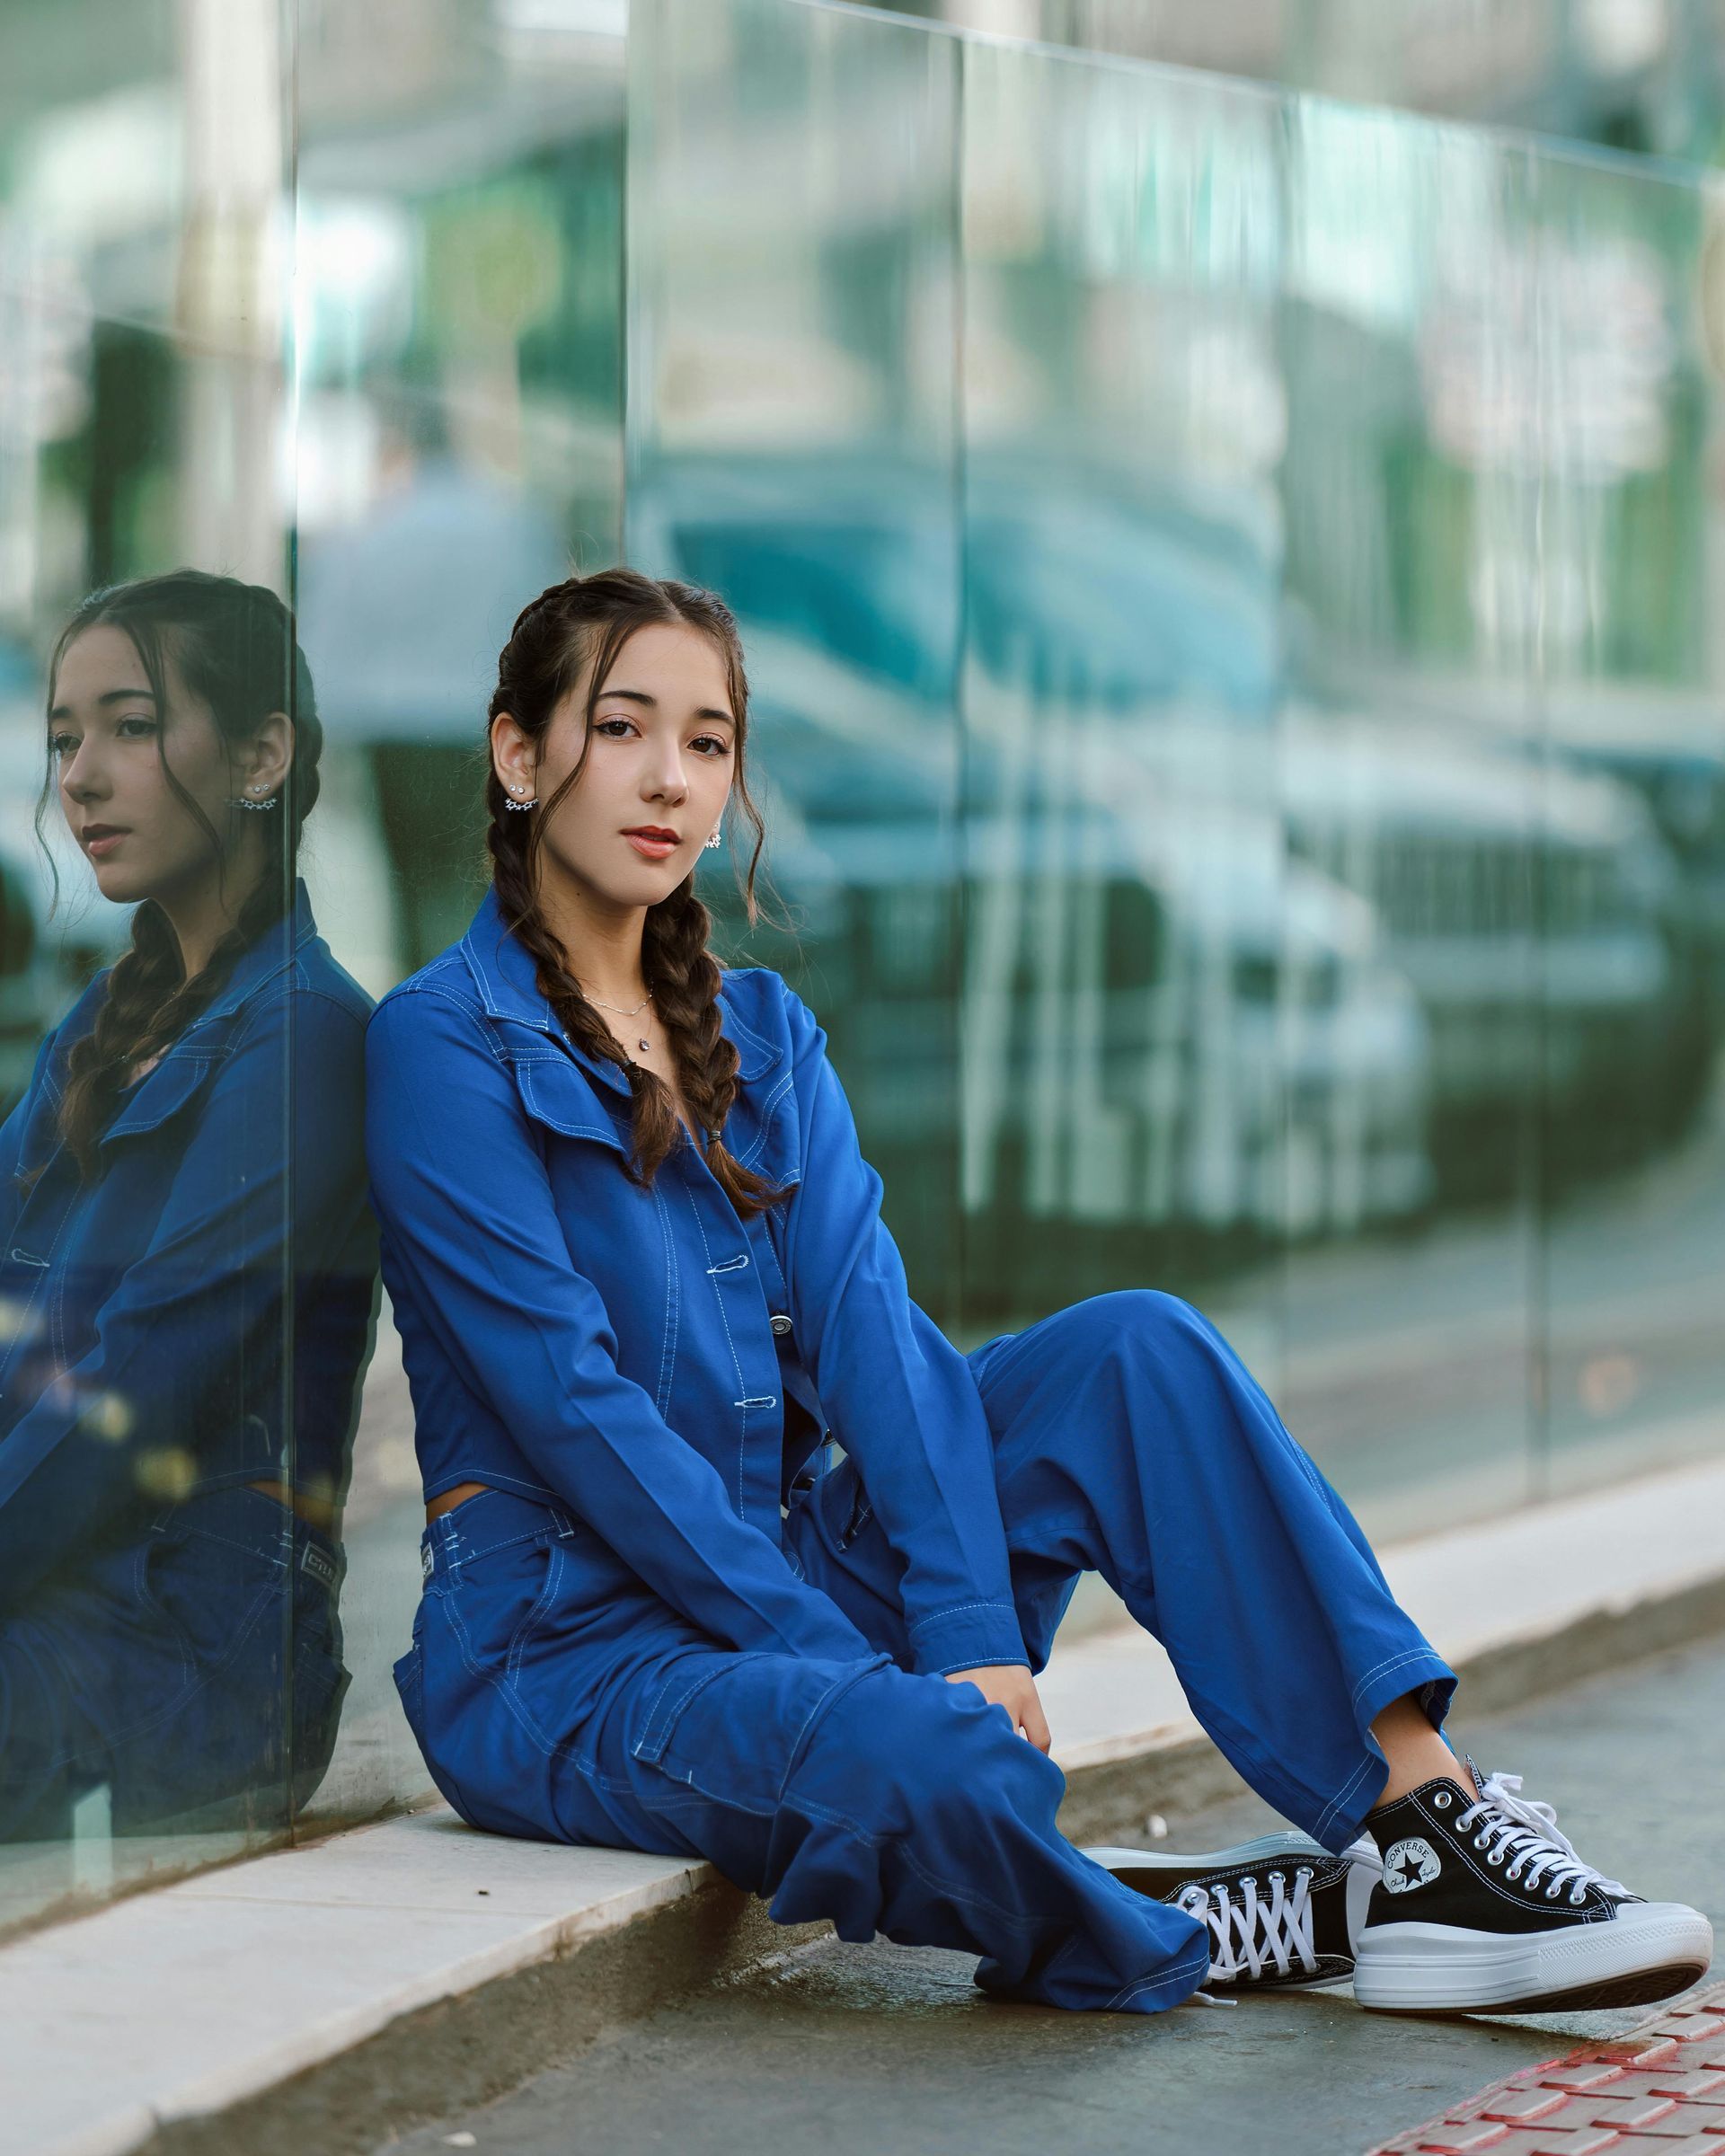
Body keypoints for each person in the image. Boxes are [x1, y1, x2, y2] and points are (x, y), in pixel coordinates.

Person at [367, 567, 1712, 2017]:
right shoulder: (442, 1048)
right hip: (574, 1662)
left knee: (1137, 1353)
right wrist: (872, 1672)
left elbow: (882, 1346)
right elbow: (580, 1417)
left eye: (708, 743)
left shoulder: (760, 1038)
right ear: (520, 755)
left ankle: (1422, 1831)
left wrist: (968, 1633)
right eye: (623, 727)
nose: (670, 779)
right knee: (928, 1759)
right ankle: (1203, 1931)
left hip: (776, 1585)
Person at [0, 570, 378, 1846]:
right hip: (48, 1599)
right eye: (64, 738)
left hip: (197, 1662)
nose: (83, 776)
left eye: (131, 725)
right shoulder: (103, 1032)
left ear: (262, 752)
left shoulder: (311, 1042)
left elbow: (134, 1384)